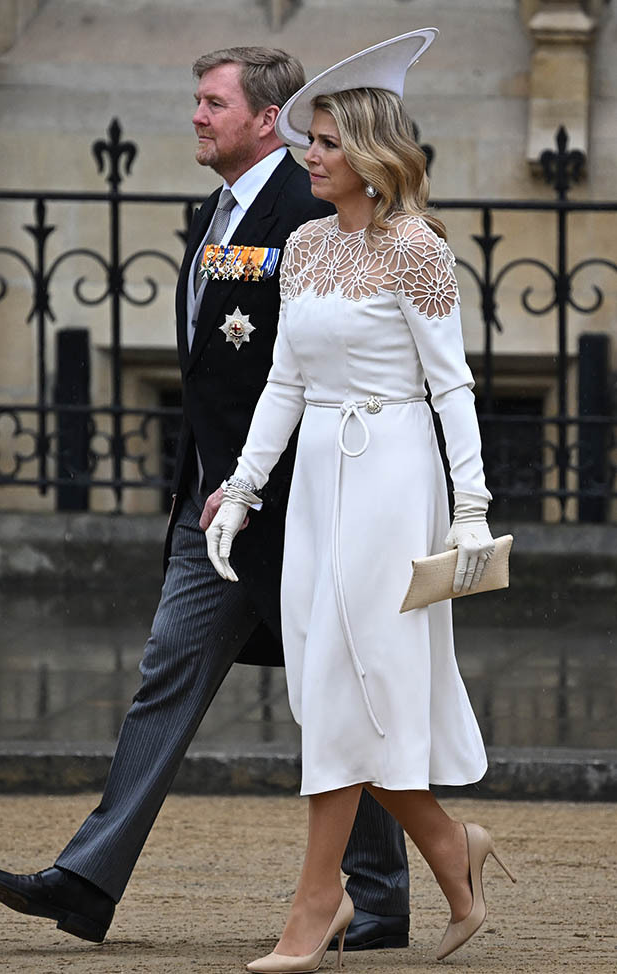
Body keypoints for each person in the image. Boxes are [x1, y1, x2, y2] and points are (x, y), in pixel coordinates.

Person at [0, 46, 411, 952]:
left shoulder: (310, 211)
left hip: (298, 507)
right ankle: (86, 881)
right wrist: (211, 484)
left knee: (335, 703)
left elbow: (319, 369)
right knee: (170, 678)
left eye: (214, 103)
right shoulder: (217, 211)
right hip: (215, 507)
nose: (198, 115)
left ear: (266, 118)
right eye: (197, 100)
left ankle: (391, 890)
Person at [205, 30, 518, 972]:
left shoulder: (416, 248)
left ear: (373, 153)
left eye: (330, 141)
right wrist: (243, 489)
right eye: (312, 139)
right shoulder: (302, 246)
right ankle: (452, 853)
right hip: (319, 486)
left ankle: (315, 903)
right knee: (331, 686)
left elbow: (452, 386)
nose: (312, 154)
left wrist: (470, 508)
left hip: (394, 474)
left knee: (356, 682)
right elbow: (285, 387)